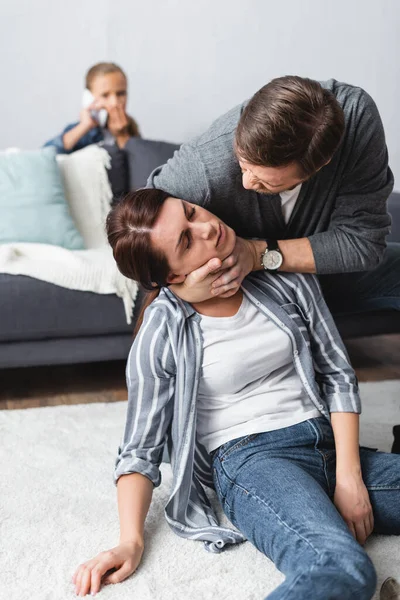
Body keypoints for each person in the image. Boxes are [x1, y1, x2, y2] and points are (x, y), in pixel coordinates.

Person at [72, 189, 400, 599]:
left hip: (328, 444)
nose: (208, 227)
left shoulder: (284, 278)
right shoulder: (163, 329)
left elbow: (337, 374)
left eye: (191, 213)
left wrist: (350, 477)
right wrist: (130, 541)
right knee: (340, 567)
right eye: (187, 241)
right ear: (171, 276)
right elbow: (141, 448)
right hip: (253, 462)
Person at [148, 75, 398, 319]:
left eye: (264, 182)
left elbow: (363, 243)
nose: (246, 182)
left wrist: (257, 255)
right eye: (243, 164)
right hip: (238, 287)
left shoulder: (356, 118)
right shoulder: (204, 165)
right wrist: (183, 289)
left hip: (322, 274)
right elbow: (133, 230)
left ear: (320, 165)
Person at [44, 62, 140, 154]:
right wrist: (84, 126)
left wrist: (122, 135)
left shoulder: (130, 128)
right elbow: (45, 156)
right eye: (105, 95)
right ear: (88, 98)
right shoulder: (81, 131)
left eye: (121, 94)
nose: (114, 103)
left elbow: (141, 165)